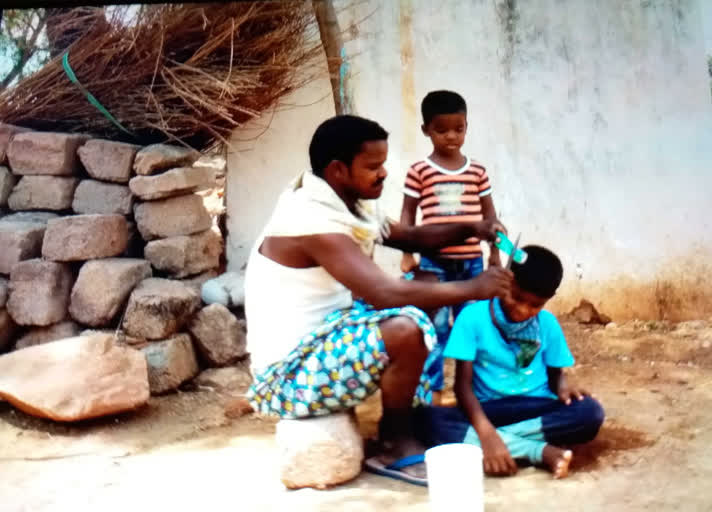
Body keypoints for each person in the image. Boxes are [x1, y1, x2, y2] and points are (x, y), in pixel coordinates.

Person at [243, 114, 512, 486]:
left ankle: (407, 415)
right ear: (338, 169)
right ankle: (394, 441)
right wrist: (474, 288)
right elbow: (383, 293)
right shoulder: (311, 218)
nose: (384, 173)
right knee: (406, 328)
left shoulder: (343, 202)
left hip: (327, 336)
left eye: (383, 163)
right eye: (373, 166)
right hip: (289, 374)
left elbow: (411, 238)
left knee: (425, 284)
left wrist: (472, 227)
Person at [415, 246, 604, 479]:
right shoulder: (472, 317)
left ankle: (495, 444)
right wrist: (487, 433)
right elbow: (462, 388)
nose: (523, 310)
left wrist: (563, 387)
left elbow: (556, 376)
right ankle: (536, 450)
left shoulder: (548, 324)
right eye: (517, 297)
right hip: (488, 409)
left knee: (590, 413)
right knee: (427, 420)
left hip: (535, 407)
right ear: (506, 282)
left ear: (548, 300)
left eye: (535, 305)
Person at [399, 90, 503, 405]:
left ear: (466, 127)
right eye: (441, 130)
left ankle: (473, 389)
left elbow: (489, 215)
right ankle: (434, 393)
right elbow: (407, 213)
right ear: (426, 130)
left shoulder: (477, 171)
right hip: (434, 266)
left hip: (471, 264)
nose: (451, 136)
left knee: (473, 327)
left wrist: (494, 254)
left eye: (459, 128)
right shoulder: (420, 171)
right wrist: (406, 251)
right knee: (435, 331)